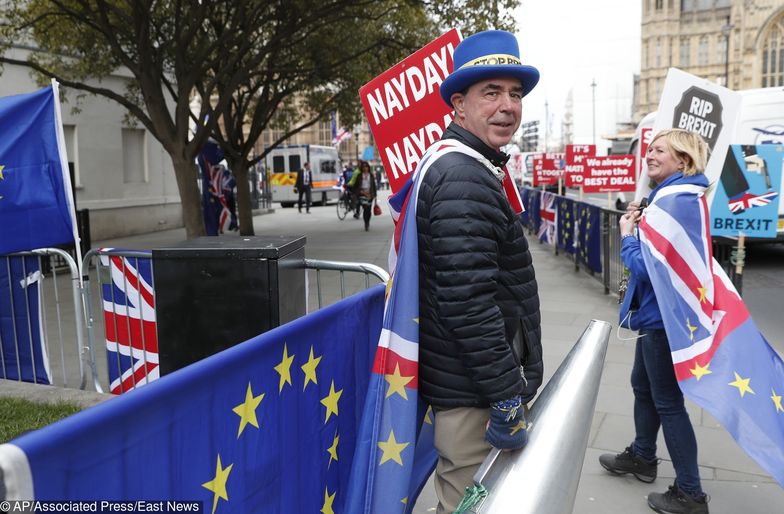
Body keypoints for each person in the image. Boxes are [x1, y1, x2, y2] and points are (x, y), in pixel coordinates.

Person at [415, 30, 543, 513]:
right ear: (458, 105)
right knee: (470, 503)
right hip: (475, 395)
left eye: (514, 94)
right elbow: (468, 302)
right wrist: (507, 395)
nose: (507, 106)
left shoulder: (474, 167)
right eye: (491, 93)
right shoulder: (464, 177)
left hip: (471, 384)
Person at [600, 128, 710, 514]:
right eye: (648, 148)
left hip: (665, 316)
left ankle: (691, 493)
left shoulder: (674, 201)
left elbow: (646, 266)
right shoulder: (674, 196)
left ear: (683, 159)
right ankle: (643, 456)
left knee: (667, 400)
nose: (648, 154)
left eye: (659, 150)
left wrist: (628, 234)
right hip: (658, 313)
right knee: (642, 386)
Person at [349, 160, 377, 231]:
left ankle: (368, 221)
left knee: (369, 210)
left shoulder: (371, 176)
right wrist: (360, 192)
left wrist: (375, 195)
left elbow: (373, 186)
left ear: (368, 167)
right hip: (362, 194)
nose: (365, 168)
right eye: (363, 167)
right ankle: (366, 223)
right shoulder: (359, 176)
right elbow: (355, 186)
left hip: (370, 194)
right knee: (365, 209)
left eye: (366, 167)